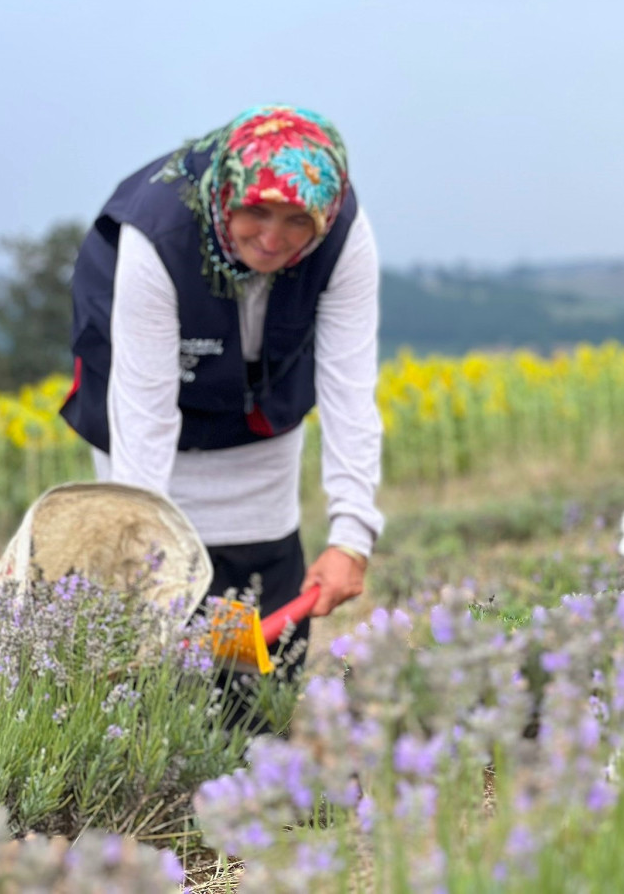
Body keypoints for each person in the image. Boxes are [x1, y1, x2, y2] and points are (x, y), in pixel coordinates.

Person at [61, 104, 384, 673]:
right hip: (149, 415)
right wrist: (140, 544)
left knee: (251, 593)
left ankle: (251, 740)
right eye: (256, 211)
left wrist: (352, 534)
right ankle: (169, 741)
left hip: (256, 420)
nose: (272, 238)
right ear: (226, 200)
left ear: (324, 214)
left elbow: (349, 387)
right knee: (160, 603)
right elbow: (144, 408)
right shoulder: (156, 234)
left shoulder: (343, 235)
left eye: (297, 220)